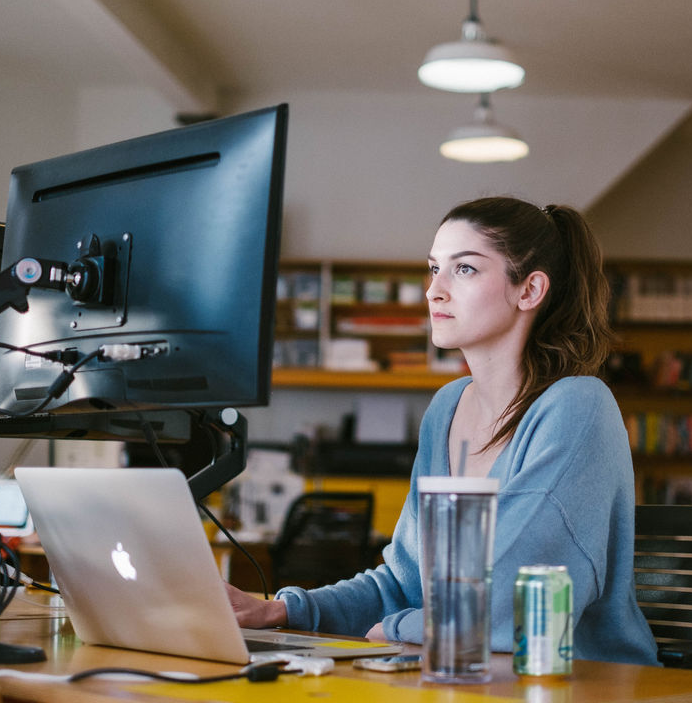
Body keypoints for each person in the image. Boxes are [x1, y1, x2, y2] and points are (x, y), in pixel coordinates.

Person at [227, 196, 658, 665]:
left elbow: (507, 604)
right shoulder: (447, 409)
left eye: (465, 269)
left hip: (583, 686)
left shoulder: (578, 406)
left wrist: (393, 629)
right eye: (434, 268)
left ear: (530, 290)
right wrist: (281, 609)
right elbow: (405, 585)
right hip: (468, 679)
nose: (434, 290)